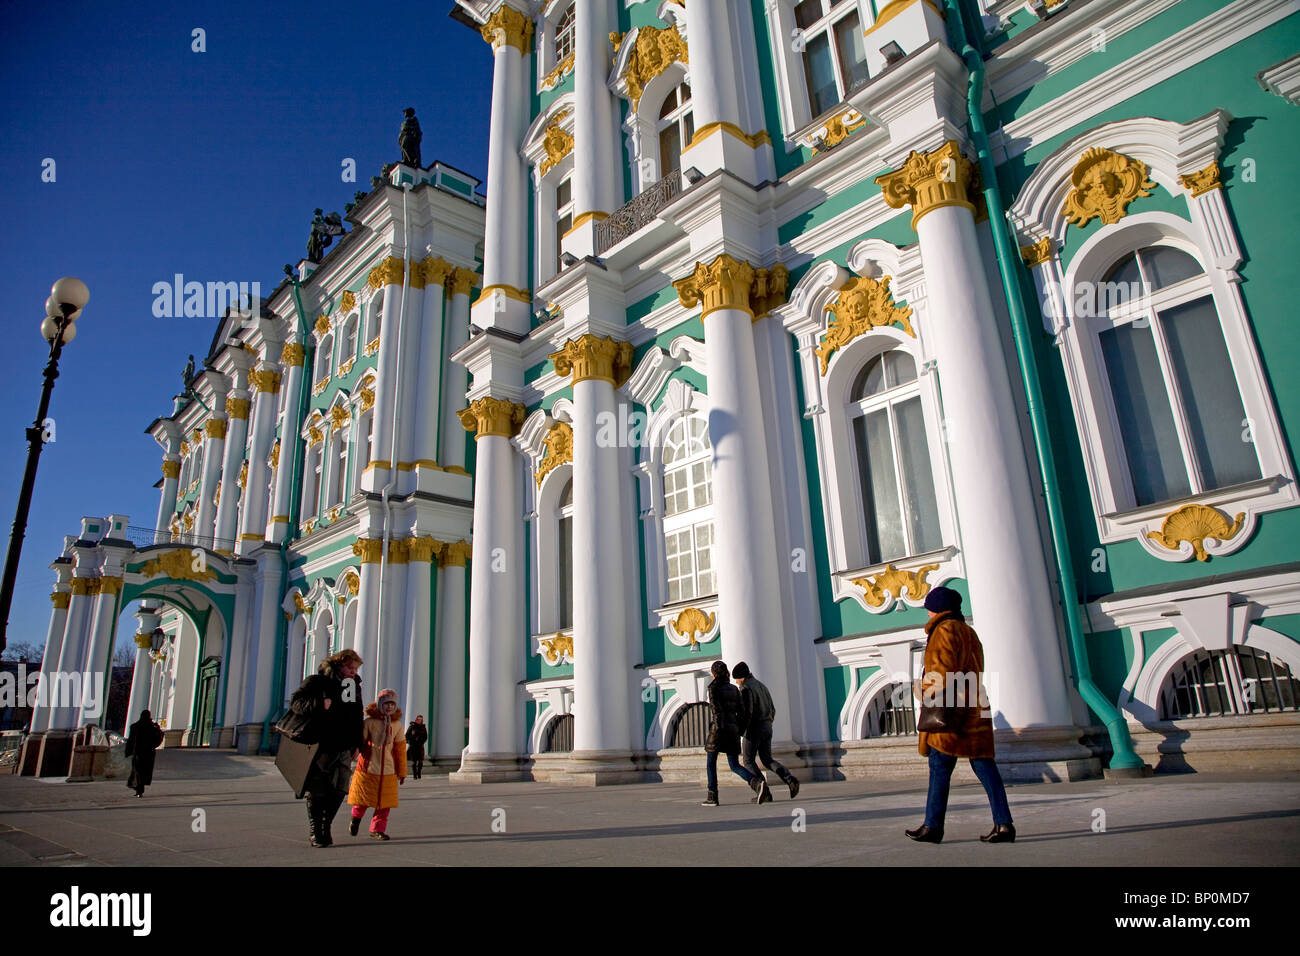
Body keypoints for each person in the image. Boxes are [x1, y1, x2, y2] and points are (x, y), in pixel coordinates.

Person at [906, 586, 1015, 844]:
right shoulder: (969, 632)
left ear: (938, 609)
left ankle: (933, 826)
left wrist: (921, 690)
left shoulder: (942, 631)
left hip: (951, 710)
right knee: (985, 766)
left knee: (939, 766)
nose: (928, 613)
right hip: (975, 706)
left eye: (929, 608)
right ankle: (1004, 825)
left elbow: (941, 674)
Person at [288, 648, 365, 848]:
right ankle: (316, 830)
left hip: (344, 744)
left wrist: (358, 743)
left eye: (355, 668)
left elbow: (355, 716)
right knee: (318, 789)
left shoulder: (351, 685)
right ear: (338, 663)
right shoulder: (317, 682)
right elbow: (296, 703)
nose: (353, 672)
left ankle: (326, 825)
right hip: (321, 743)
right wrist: (319, 703)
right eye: (350, 667)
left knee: (339, 789)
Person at [702, 661, 769, 806]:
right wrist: (739, 730)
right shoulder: (733, 688)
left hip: (719, 731)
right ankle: (757, 783)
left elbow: (717, 712)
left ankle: (712, 796)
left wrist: (718, 729)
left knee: (710, 763)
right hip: (732, 731)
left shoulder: (713, 687)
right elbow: (743, 712)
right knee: (734, 765)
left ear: (714, 674)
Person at [733, 662, 800, 803]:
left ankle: (763, 790)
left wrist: (741, 729)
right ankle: (790, 780)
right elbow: (772, 708)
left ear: (742, 678)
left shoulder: (746, 688)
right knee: (767, 759)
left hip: (753, 728)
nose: (737, 683)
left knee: (748, 760)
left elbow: (747, 712)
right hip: (767, 726)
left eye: (737, 679)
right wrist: (768, 722)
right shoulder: (761, 685)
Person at [347, 688, 407, 840]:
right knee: (362, 800)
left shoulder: (397, 726)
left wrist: (402, 772)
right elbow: (360, 741)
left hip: (388, 770)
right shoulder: (369, 722)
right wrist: (354, 751)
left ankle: (377, 830)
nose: (389, 707)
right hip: (368, 767)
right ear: (380, 704)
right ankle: (355, 819)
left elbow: (400, 750)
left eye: (392, 704)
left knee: (385, 805)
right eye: (386, 704)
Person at [124, 709, 163, 797]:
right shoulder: (153, 727)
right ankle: (139, 789)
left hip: (138, 752)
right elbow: (158, 738)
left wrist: (128, 751)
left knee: (137, 771)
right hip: (149, 753)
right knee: (144, 771)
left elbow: (131, 741)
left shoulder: (135, 726)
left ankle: (138, 789)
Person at [405, 715, 427, 780]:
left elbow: (425, 737)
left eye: (421, 719)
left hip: (420, 746)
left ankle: (419, 772)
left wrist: (421, 741)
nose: (419, 721)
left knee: (420, 761)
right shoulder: (412, 727)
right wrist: (411, 741)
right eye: (418, 719)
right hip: (413, 746)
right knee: (414, 762)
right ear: (416, 720)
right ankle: (415, 775)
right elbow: (407, 736)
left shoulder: (423, 728)